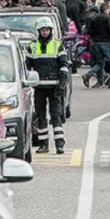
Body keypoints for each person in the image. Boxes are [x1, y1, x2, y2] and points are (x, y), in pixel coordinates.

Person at [26, 17, 72, 155]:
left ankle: (59, 145)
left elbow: (64, 65)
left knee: (56, 116)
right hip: (39, 87)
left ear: (50, 30)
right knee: (40, 117)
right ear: (39, 31)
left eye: (47, 30)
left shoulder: (58, 45)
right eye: (42, 30)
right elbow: (27, 67)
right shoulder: (32, 46)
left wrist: (62, 82)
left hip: (55, 87)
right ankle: (43, 145)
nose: (45, 32)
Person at [84, 4, 110, 89]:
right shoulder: (108, 18)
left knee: (100, 63)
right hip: (106, 42)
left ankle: (88, 75)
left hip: (96, 42)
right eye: (109, 9)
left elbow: (89, 31)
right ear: (106, 9)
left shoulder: (94, 19)